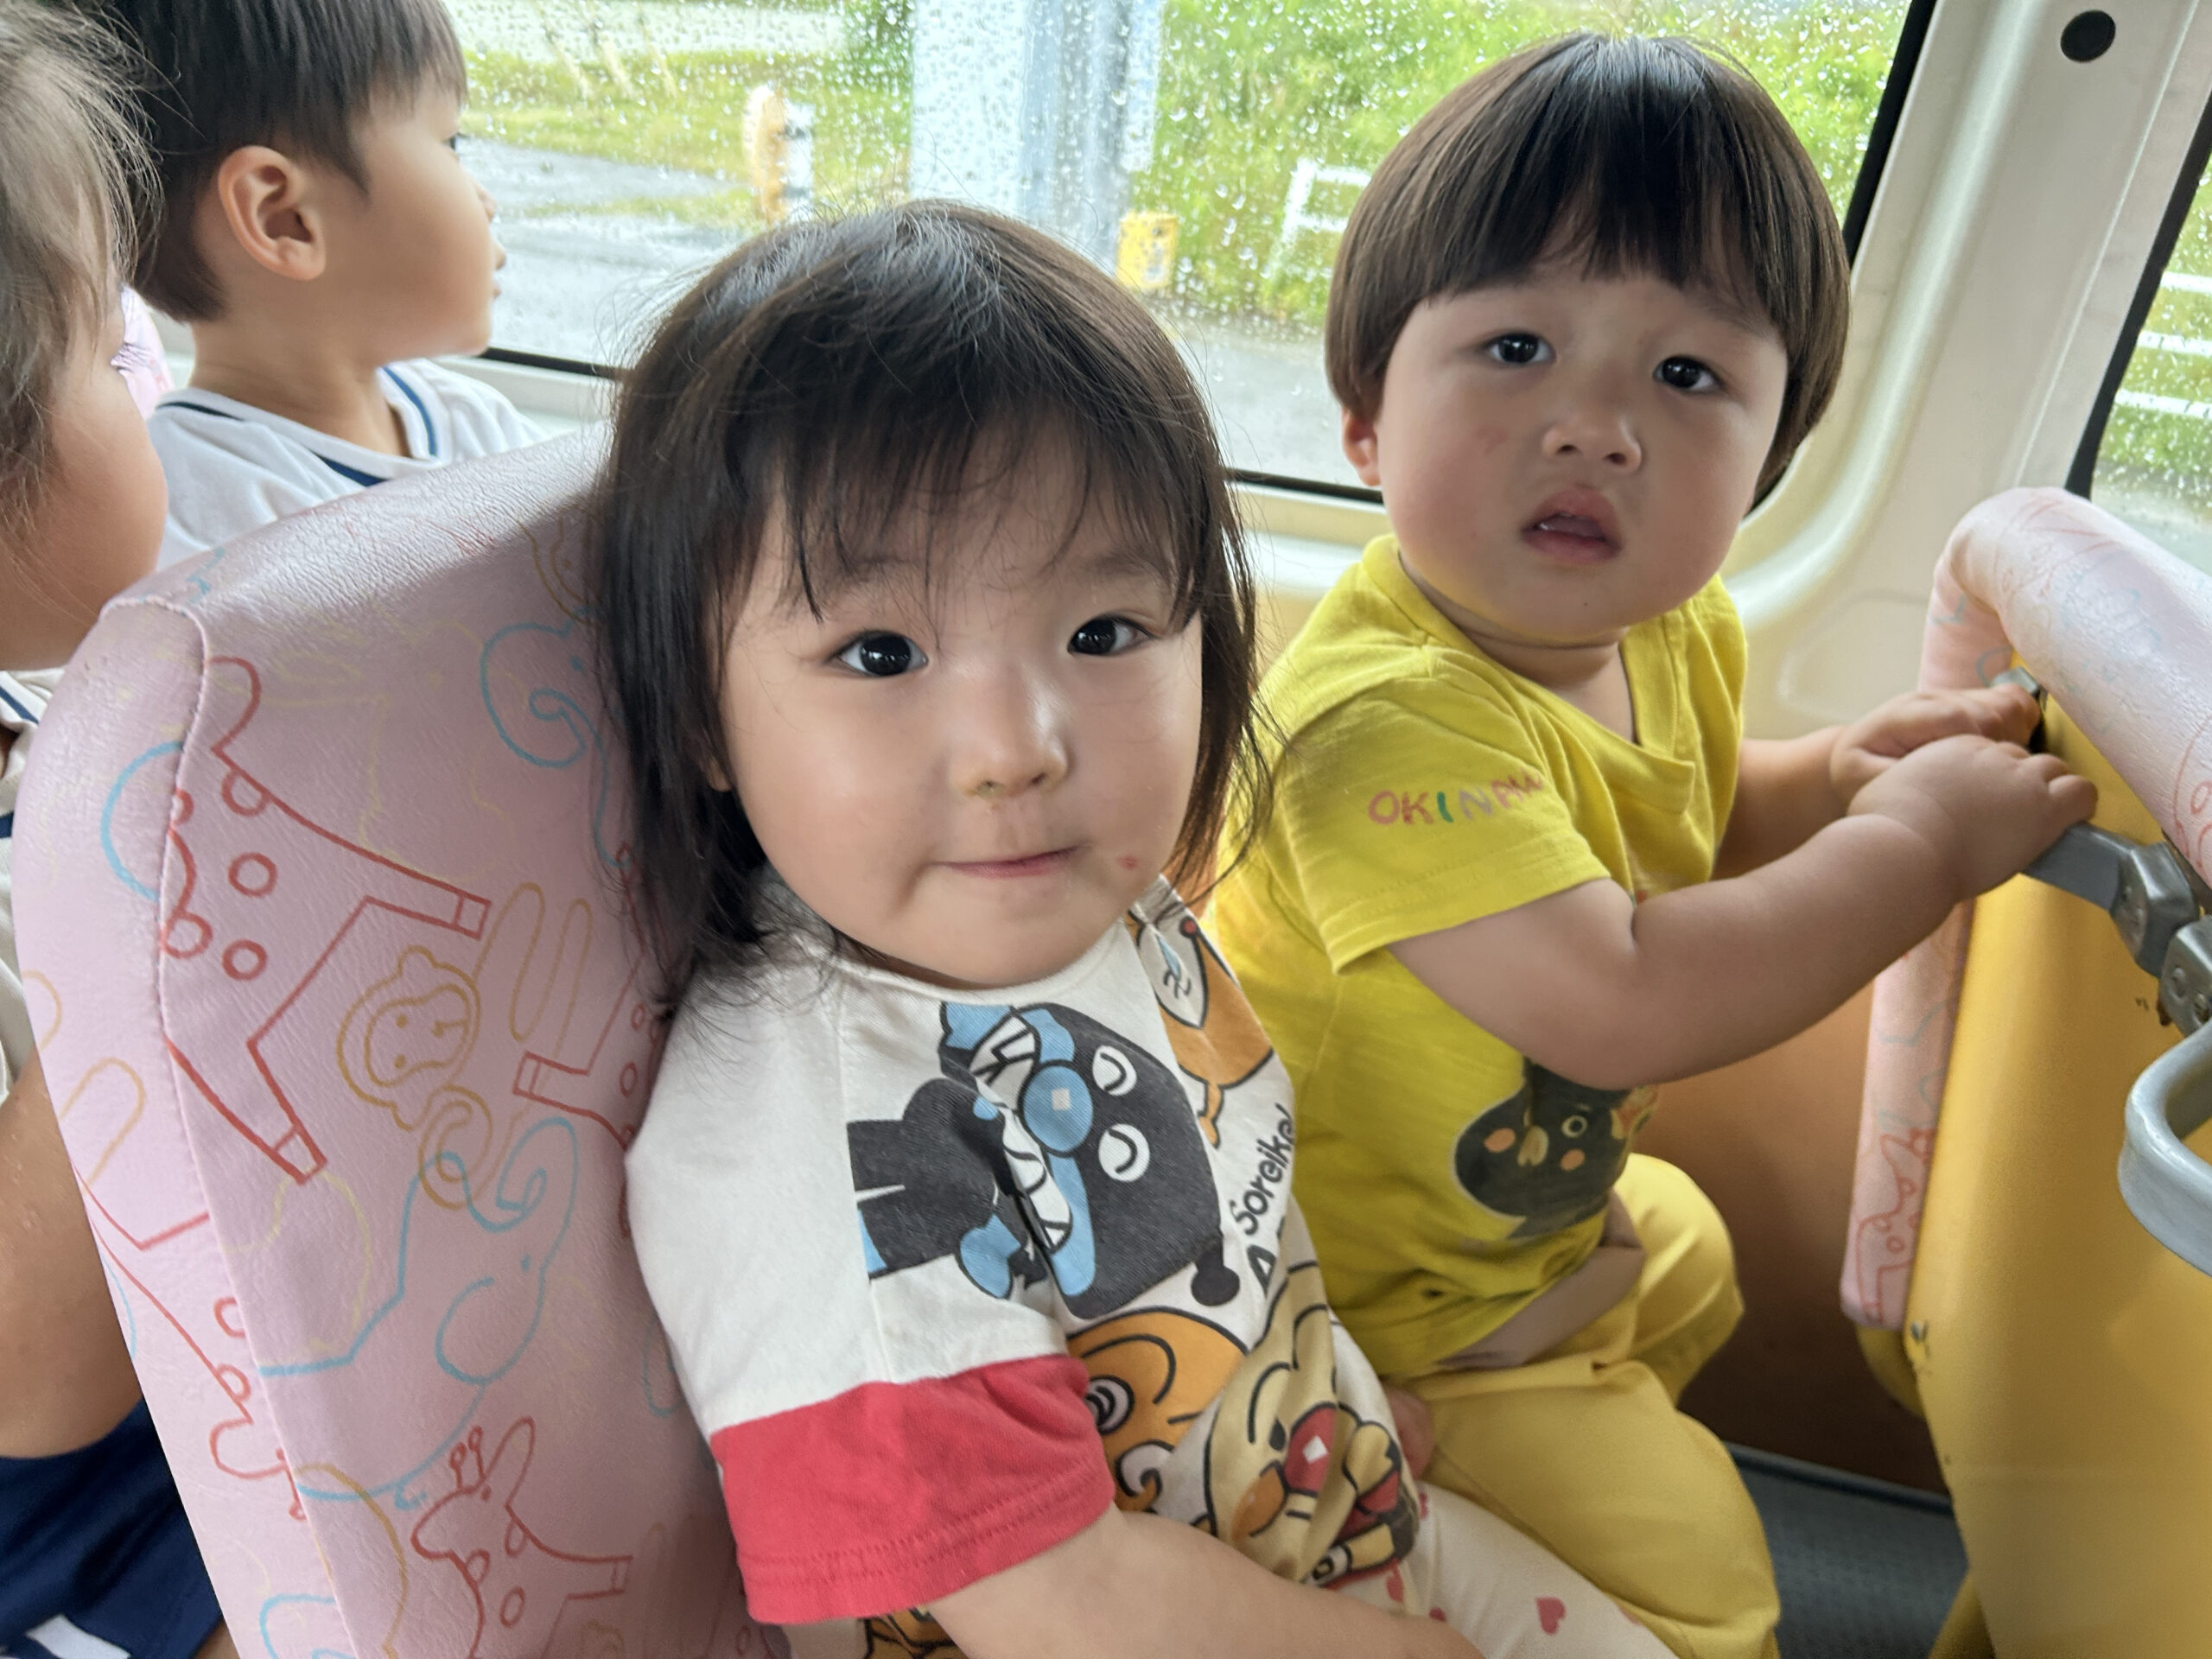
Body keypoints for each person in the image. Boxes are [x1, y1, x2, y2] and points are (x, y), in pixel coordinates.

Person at [600, 201, 1673, 1659]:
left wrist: (1333, 1400)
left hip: (1317, 1511)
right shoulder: (817, 1157)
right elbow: (1061, 1603)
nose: (1016, 749)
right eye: (881, 652)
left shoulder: (1093, 901)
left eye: (1102, 635)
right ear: (698, 714)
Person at [1206, 34, 2097, 1659]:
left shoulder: (1666, 629)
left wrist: (1837, 778)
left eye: (1688, 378)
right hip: (1355, 1297)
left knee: (1690, 1253)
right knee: (1711, 1596)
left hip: (1489, 1226)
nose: (1599, 427)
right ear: (1365, 421)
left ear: (1770, 457)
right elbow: (1618, 996)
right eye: (1518, 347)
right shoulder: (1384, 729)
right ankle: (1394, 1487)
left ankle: (1525, 1462)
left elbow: (1677, 812)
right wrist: (1916, 849)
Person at [0, 7, 235, 1656]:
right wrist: (124, 901)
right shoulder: (89, 792)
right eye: (107, 347)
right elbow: (26, 1387)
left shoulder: (43, 729)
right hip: (63, 1523)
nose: (147, 390)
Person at [86, 0, 537, 566]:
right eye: (450, 144)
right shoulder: (198, 523)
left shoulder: (475, 420)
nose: (486, 201)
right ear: (286, 220)